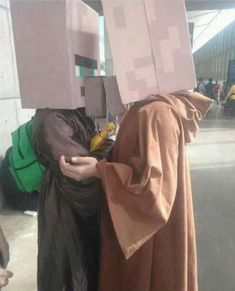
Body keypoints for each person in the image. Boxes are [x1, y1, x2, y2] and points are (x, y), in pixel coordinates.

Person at [60, 91, 212, 291]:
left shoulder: (155, 112)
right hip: (152, 227)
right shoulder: (155, 108)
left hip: (148, 232)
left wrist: (99, 170)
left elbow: (152, 192)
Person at [32, 108, 113, 291]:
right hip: (64, 204)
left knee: (87, 264)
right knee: (69, 269)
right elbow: (76, 167)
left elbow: (95, 150)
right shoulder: (50, 117)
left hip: (76, 200)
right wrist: (105, 161)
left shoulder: (78, 110)